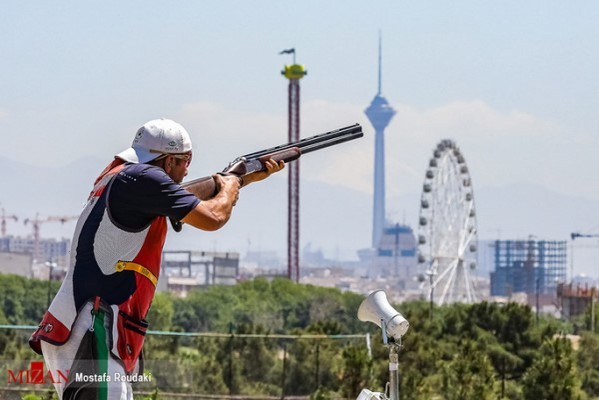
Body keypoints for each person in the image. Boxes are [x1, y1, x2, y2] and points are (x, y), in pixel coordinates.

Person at [29, 118, 284, 399]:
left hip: (89, 324)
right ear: (169, 161)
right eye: (186, 161)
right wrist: (232, 184)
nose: (187, 169)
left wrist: (231, 181)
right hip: (93, 326)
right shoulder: (142, 178)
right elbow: (213, 217)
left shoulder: (120, 175)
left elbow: (176, 200)